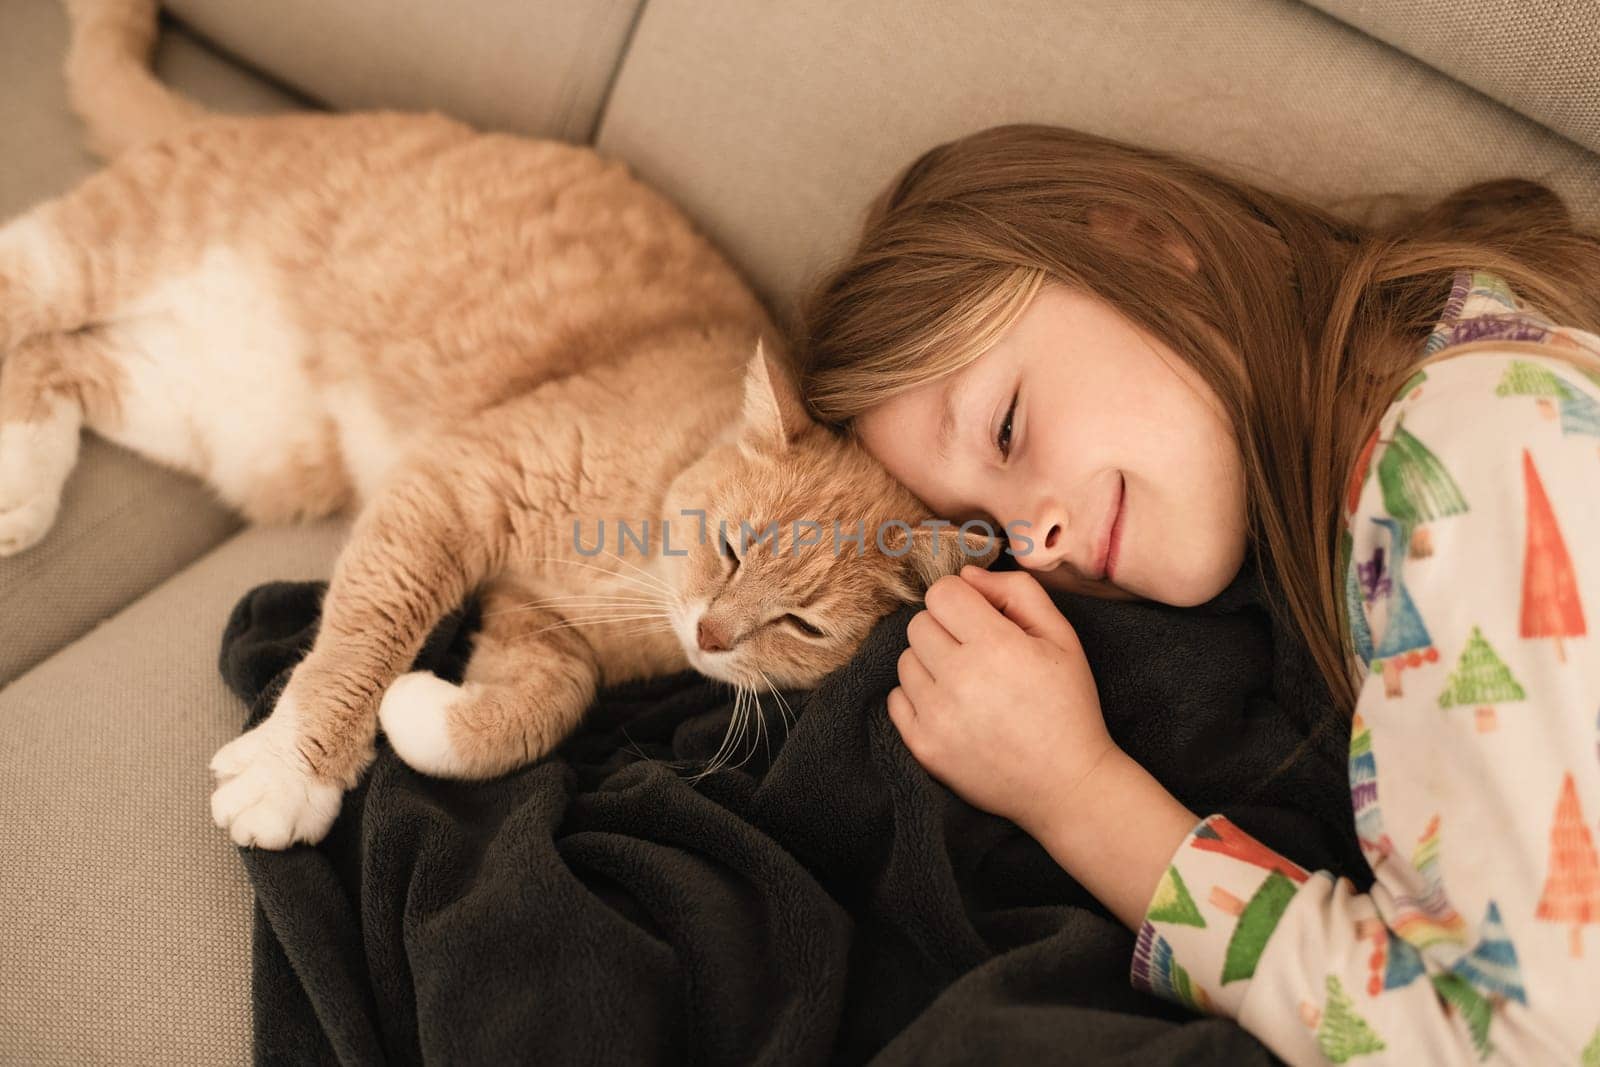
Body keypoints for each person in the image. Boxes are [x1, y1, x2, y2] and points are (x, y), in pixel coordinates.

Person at [790, 123, 1600, 1064]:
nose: (1032, 542)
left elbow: (1520, 1046)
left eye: (1007, 428)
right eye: (986, 529)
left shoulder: (1467, 465)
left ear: (1142, 244)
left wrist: (1078, 795)